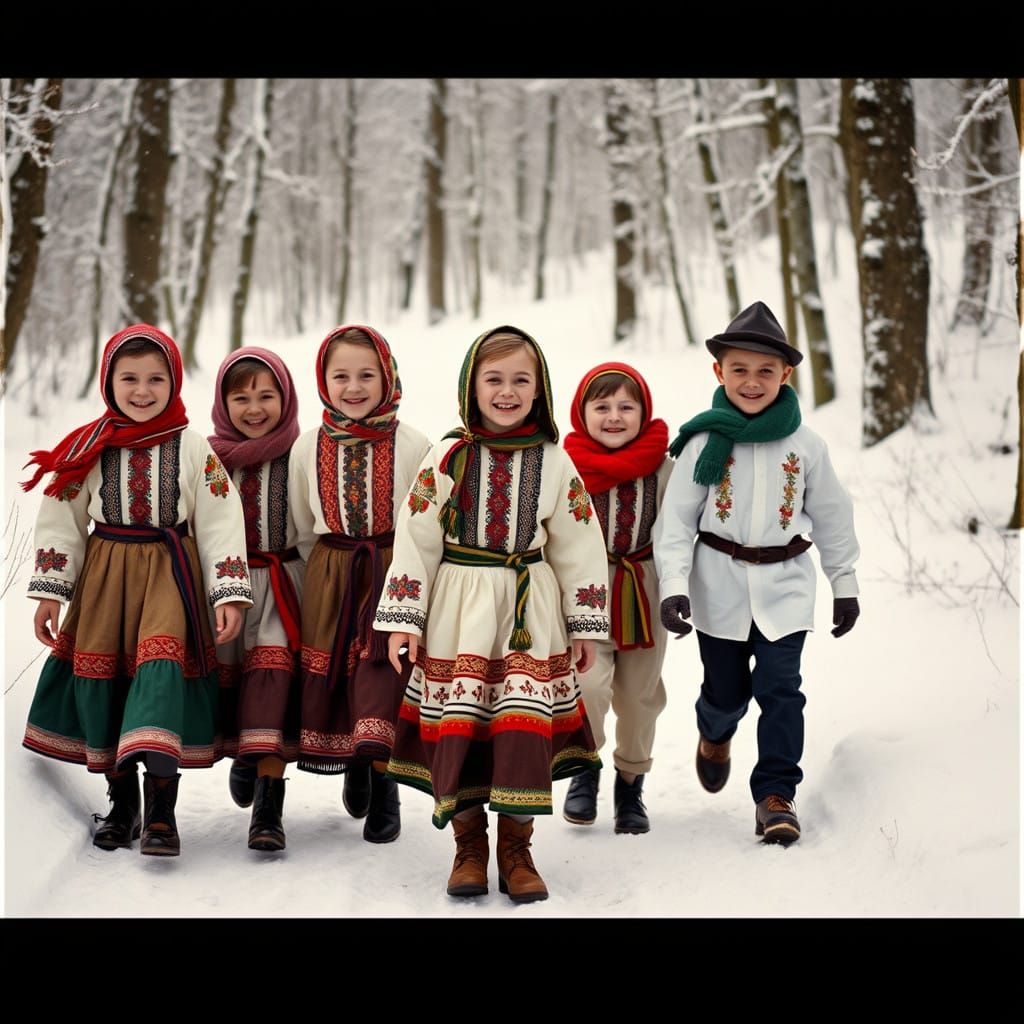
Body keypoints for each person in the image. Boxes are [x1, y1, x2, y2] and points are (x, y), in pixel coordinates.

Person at [375, 325, 609, 903]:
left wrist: (584, 624)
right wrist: (405, 615)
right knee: (467, 727)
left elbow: (579, 543)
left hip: (527, 608)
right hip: (458, 611)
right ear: (471, 386)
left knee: (519, 728)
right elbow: (416, 537)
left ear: (540, 390)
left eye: (520, 380)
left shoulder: (554, 462)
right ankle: (469, 847)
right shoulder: (448, 455)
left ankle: (517, 849)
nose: (506, 392)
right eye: (494, 379)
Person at [22, 324, 251, 857]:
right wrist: (52, 591)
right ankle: (123, 805)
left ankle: (163, 817)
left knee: (159, 683)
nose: (143, 391)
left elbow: (220, 521)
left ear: (174, 382)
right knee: (111, 688)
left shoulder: (192, 447)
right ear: (109, 381)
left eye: (156, 378)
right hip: (105, 580)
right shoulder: (88, 446)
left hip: (171, 578)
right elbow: (61, 519)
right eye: (130, 378)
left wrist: (229, 591)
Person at [654, 301, 860, 845]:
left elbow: (834, 516)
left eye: (766, 371)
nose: (752, 381)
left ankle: (775, 795)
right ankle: (714, 732)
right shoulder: (702, 442)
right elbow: (674, 524)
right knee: (726, 693)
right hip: (718, 585)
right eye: (739, 369)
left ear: (786, 375)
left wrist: (844, 583)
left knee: (781, 689)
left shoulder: (806, 446)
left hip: (785, 585)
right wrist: (673, 587)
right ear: (718, 372)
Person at [289, 325, 431, 844]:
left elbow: (425, 520)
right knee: (337, 677)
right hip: (333, 571)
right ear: (323, 381)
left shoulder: (415, 444)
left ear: (388, 376)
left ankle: (382, 780)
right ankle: (354, 758)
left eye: (367, 374)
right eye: (341, 375)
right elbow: (303, 525)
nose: (354, 386)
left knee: (382, 676)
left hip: (393, 571)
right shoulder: (308, 447)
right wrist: (321, 573)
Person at [561, 362, 672, 834]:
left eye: (627, 406)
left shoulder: (664, 468)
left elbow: (683, 528)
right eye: (601, 406)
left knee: (640, 694)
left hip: (643, 584)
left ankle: (631, 783)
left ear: (643, 413)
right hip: (586, 588)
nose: (614, 416)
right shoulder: (565, 467)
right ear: (581, 413)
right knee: (588, 683)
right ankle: (586, 766)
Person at [209, 347, 303, 851]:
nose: (254, 408)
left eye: (267, 395)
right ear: (223, 403)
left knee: (272, 683)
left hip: (284, 585)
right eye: (241, 397)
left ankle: (269, 804)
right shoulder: (207, 459)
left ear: (285, 400)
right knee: (230, 684)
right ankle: (246, 757)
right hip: (225, 590)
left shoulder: (302, 454)